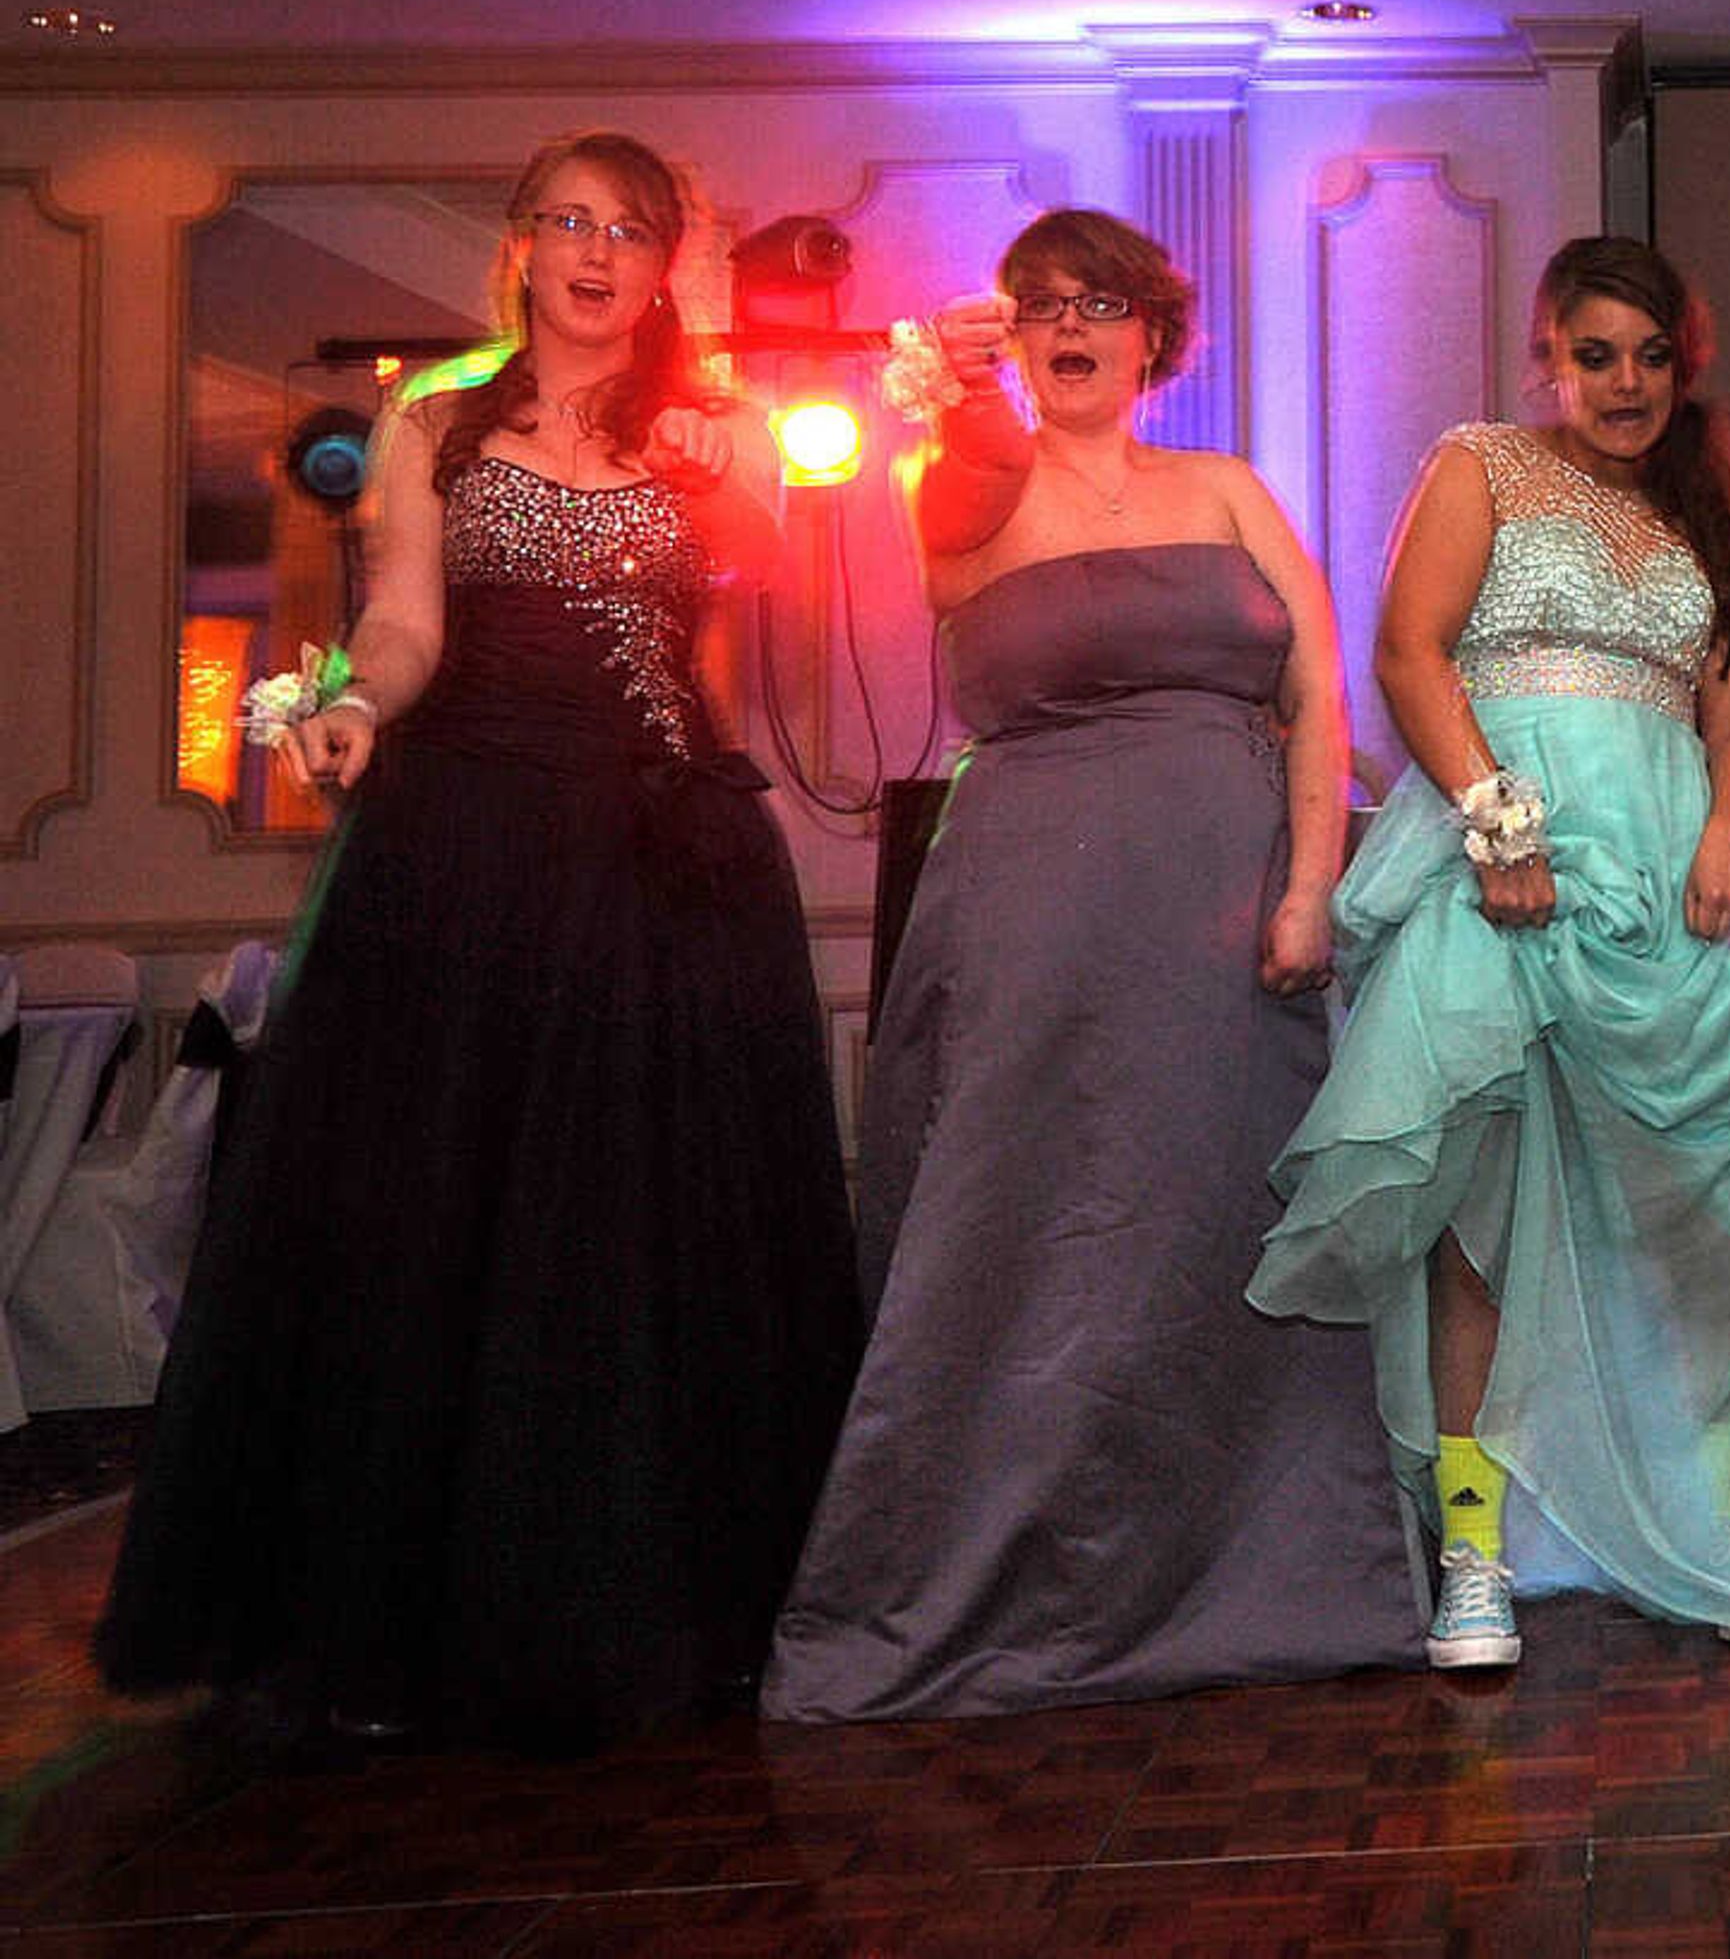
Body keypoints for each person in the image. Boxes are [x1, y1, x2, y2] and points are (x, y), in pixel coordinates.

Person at [97, 130, 860, 1751]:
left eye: (630, 231)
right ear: (518, 245)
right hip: (478, 853)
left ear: (666, 267)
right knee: (446, 1228)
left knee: (648, 1236)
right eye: (566, 222)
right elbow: (404, 621)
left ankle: (682, 1606)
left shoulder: (704, 427)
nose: (594, 251)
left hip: (669, 865)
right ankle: (413, 1619)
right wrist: (358, 706)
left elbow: (762, 596)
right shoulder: (433, 420)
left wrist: (733, 470)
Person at [764, 210, 1420, 1719]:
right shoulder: (966, 480)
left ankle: (1277, 1575)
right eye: (1043, 304)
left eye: (1104, 303)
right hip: (1035, 909)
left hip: (1231, 905)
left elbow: (1317, 694)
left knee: (1220, 1217)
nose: (1074, 326)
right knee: (1032, 1232)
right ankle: (1016, 1588)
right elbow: (957, 524)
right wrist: (956, 380)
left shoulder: (1228, 487)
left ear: (1151, 336)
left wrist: (1311, 886)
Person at [1246, 235, 1730, 1669]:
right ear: (1549, 354)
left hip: (1665, 885)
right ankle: (1475, 1556)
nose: (1626, 383)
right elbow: (1411, 651)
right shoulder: (1481, 463)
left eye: (1654, 357)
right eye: (1597, 353)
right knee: (1474, 1223)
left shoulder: (1705, 511)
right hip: (1500, 869)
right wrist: (1494, 821)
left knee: (1704, 1235)